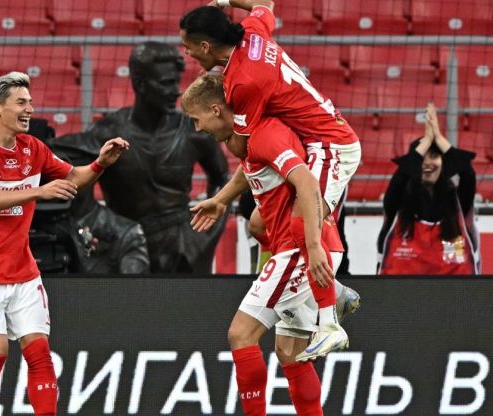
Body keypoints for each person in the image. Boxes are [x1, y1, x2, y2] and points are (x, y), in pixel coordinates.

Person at [180, 0, 362, 344]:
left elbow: (242, 147)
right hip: (315, 140)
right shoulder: (252, 31)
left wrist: (223, 127)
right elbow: (265, 3)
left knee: (303, 220)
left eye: (188, 47)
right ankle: (329, 286)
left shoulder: (243, 82)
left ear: (205, 46)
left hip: (330, 145)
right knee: (258, 223)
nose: (187, 54)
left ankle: (329, 321)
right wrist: (225, 2)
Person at [0, 71, 129, 416]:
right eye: (21, 102)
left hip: (23, 270)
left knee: (39, 353)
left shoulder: (33, 148)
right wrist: (38, 191)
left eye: (30, 102)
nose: (30, 109)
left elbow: (74, 177)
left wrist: (100, 164)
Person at [183, 74, 352, 415]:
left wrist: (313, 249)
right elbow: (253, 167)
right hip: (305, 246)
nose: (197, 127)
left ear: (216, 110)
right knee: (291, 354)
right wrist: (221, 199)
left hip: (301, 248)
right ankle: (326, 288)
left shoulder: (265, 134)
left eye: (196, 119)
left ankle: (325, 288)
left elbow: (306, 181)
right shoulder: (248, 135)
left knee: (241, 334)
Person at [56, 41, 229, 273]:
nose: (175, 91)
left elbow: (222, 179)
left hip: (183, 245)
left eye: (175, 82)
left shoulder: (193, 130)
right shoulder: (107, 133)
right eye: (165, 83)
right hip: (124, 242)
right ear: (139, 83)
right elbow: (68, 171)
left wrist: (204, 237)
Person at [378, 103, 478, 274]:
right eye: (422, 157)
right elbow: (400, 177)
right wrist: (426, 140)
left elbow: (468, 174)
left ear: (444, 162)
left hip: (455, 290)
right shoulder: (398, 202)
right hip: (401, 289)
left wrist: (438, 137)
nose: (428, 163)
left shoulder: (458, 203)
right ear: (414, 164)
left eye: (434, 156)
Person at [50, 136, 151, 274]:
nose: (62, 179)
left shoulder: (125, 233)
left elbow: (135, 286)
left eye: (72, 172)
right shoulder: (37, 225)